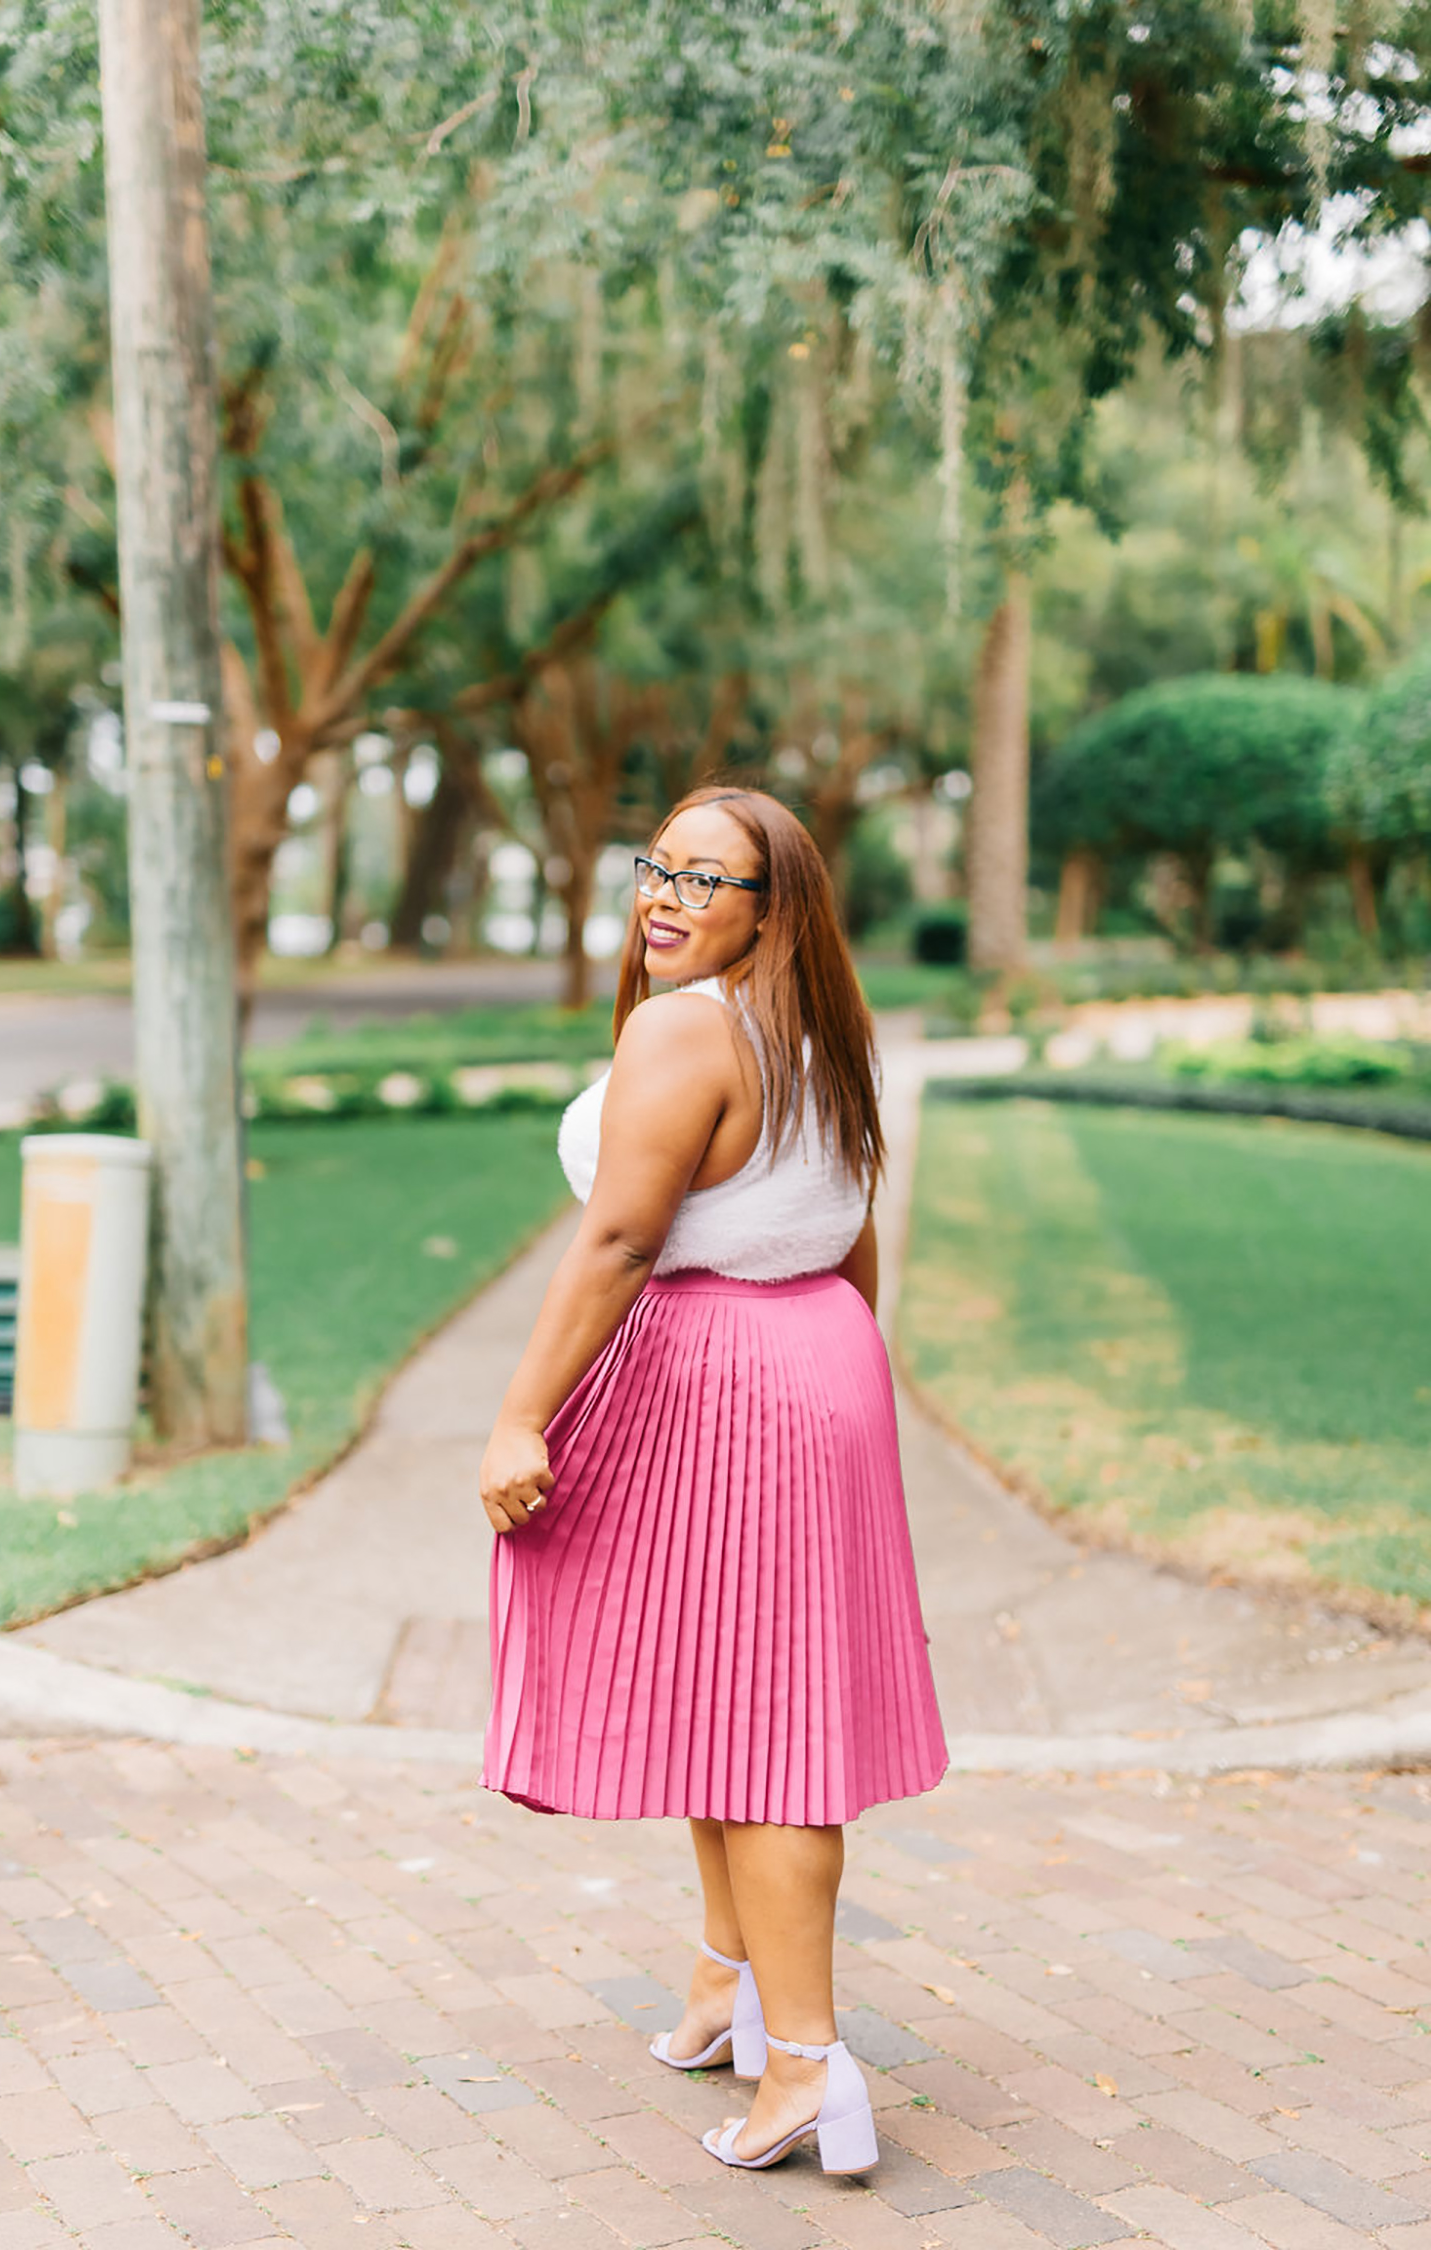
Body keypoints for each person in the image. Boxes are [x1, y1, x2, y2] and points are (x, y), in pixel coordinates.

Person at [479, 785, 947, 2175]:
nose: (667, 896)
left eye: (709, 878)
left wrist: (520, 1413)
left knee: (771, 1732)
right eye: (658, 865)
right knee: (718, 1684)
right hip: (814, 1358)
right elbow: (853, 1226)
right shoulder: (817, 1026)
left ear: (770, 910)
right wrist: (856, 1377)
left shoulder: (683, 1027)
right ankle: (726, 1983)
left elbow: (622, 1238)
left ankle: (807, 2063)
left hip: (732, 1375)